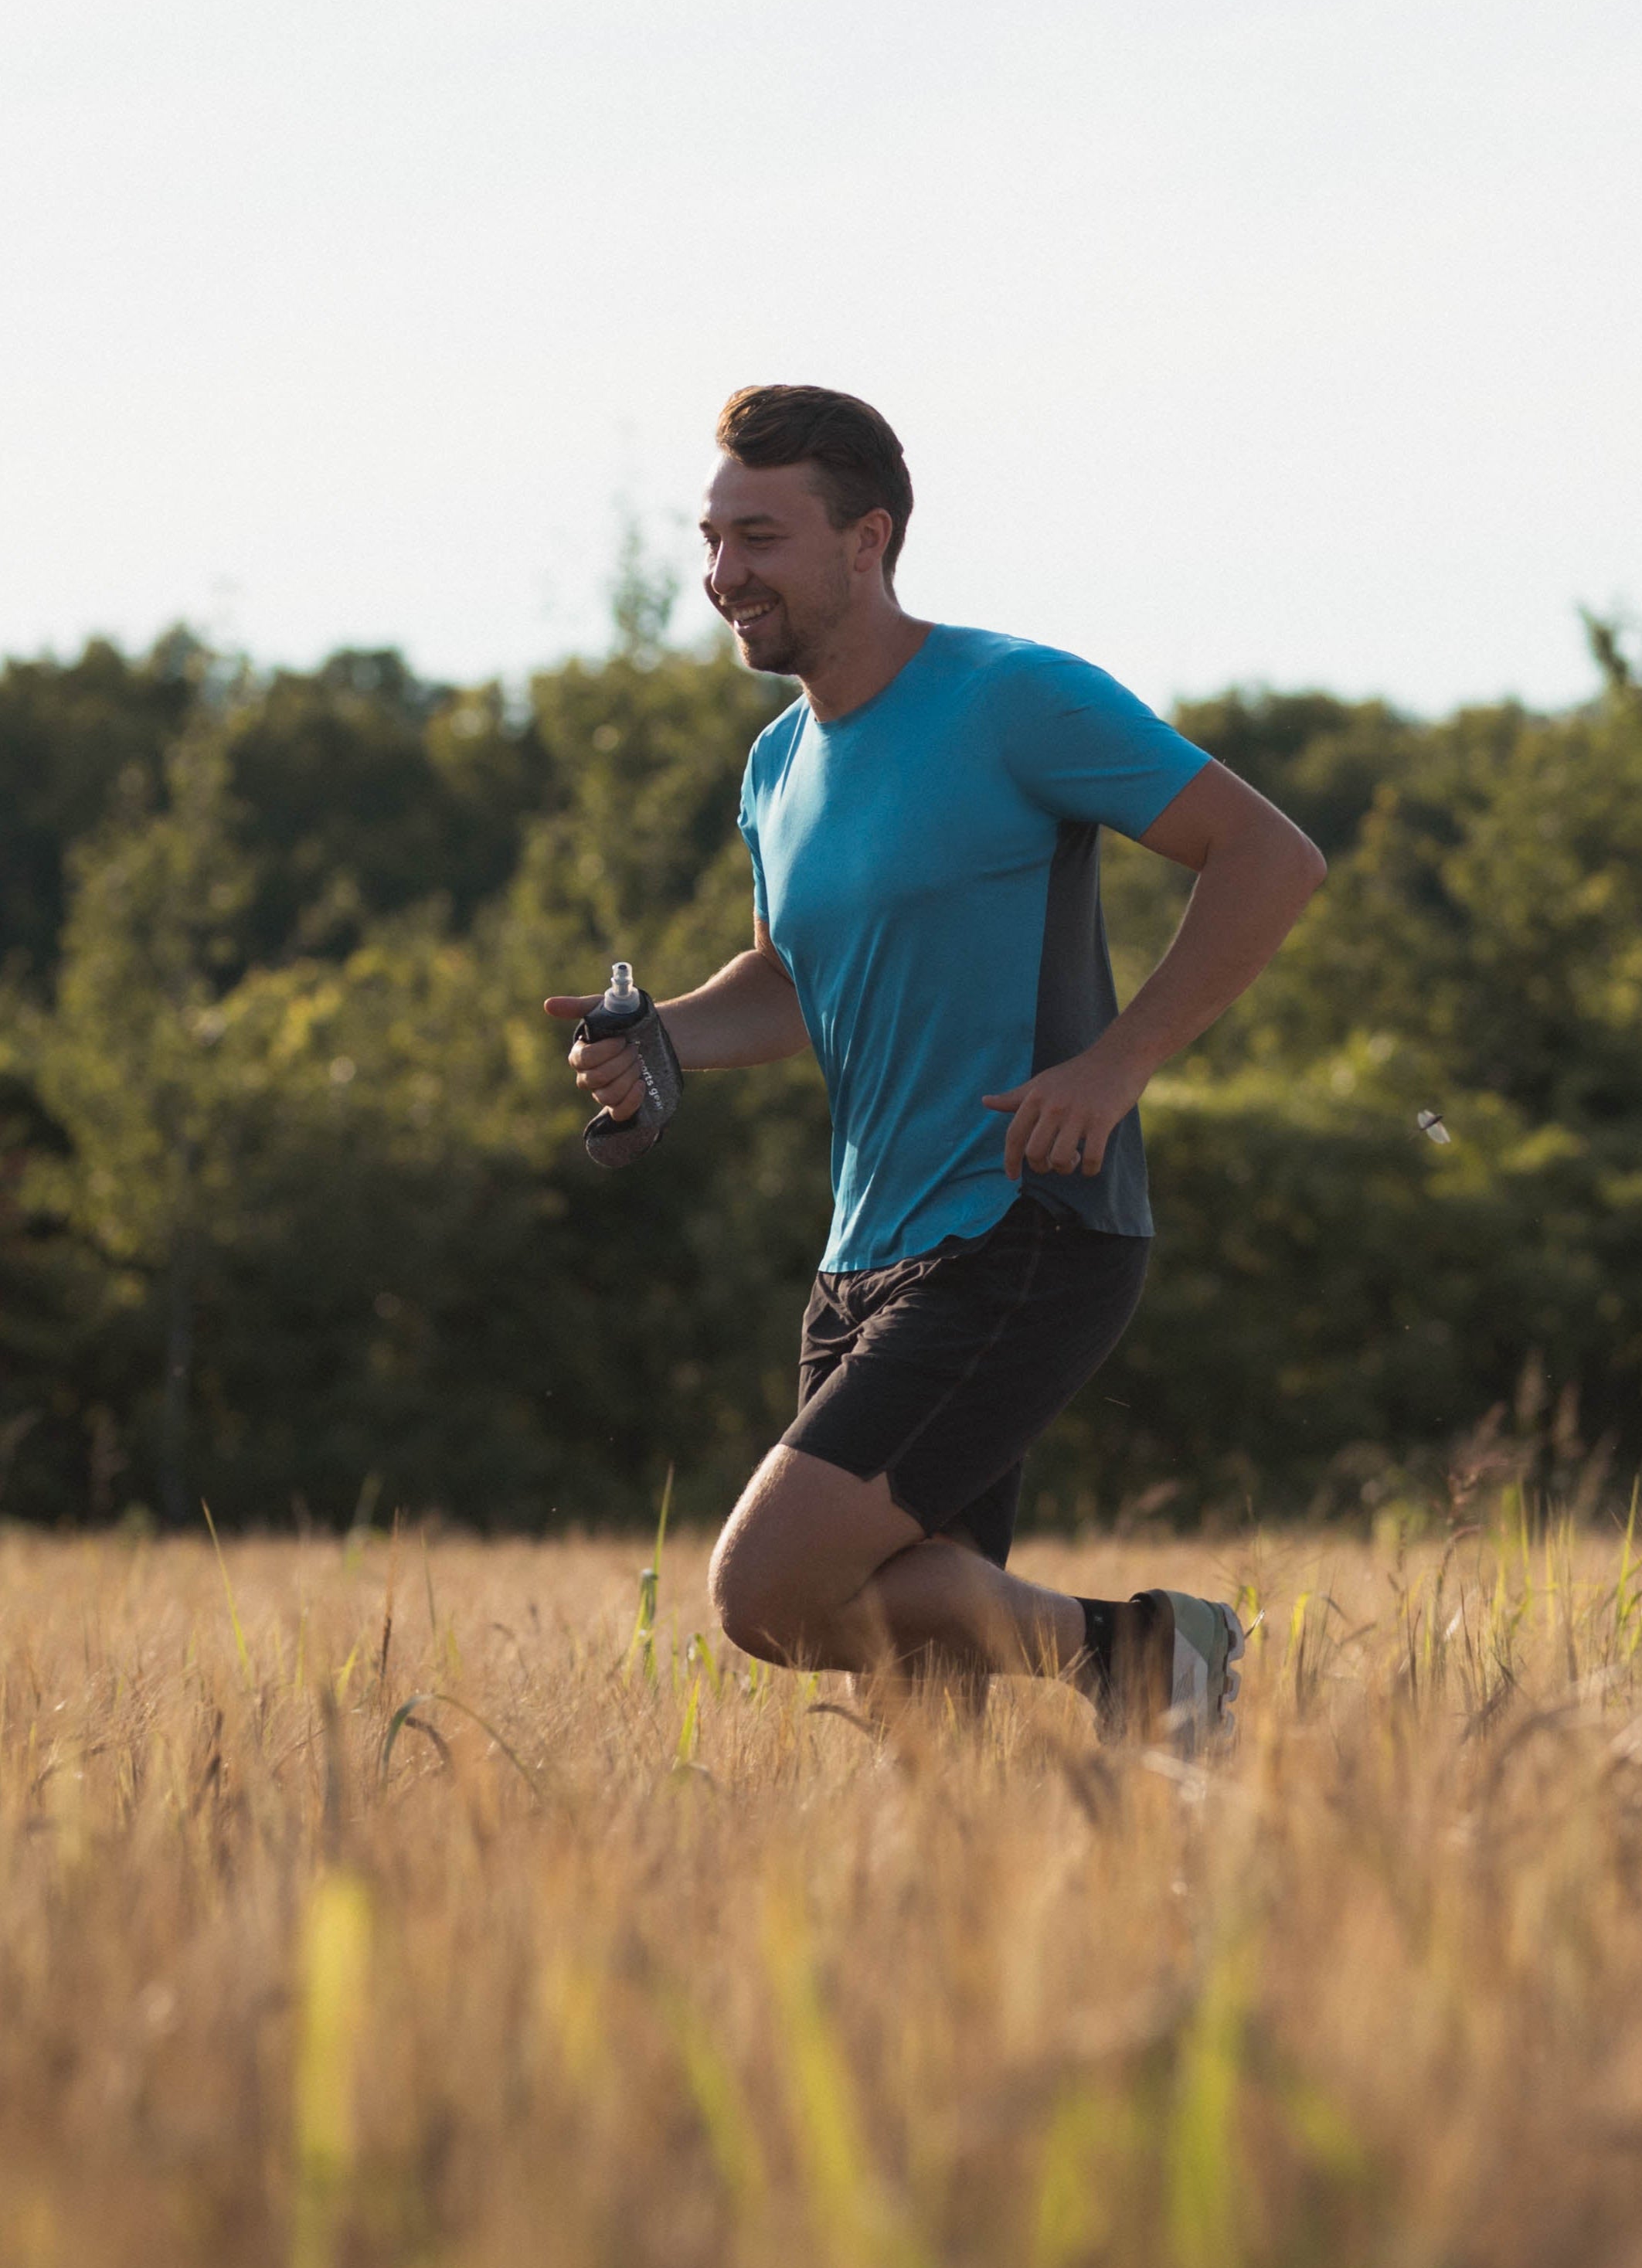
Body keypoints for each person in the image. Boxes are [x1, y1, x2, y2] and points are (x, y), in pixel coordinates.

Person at [545, 385, 1324, 1743]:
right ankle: (1029, 1918)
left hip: (1022, 1222)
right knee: (926, 1709)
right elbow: (790, 986)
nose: (725, 577)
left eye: (762, 539)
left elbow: (1270, 856)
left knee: (771, 1593)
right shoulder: (776, 765)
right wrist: (662, 1034)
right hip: (858, 1260)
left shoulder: (1012, 696)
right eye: (713, 539)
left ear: (867, 540)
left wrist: (1115, 1064)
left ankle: (1145, 1654)